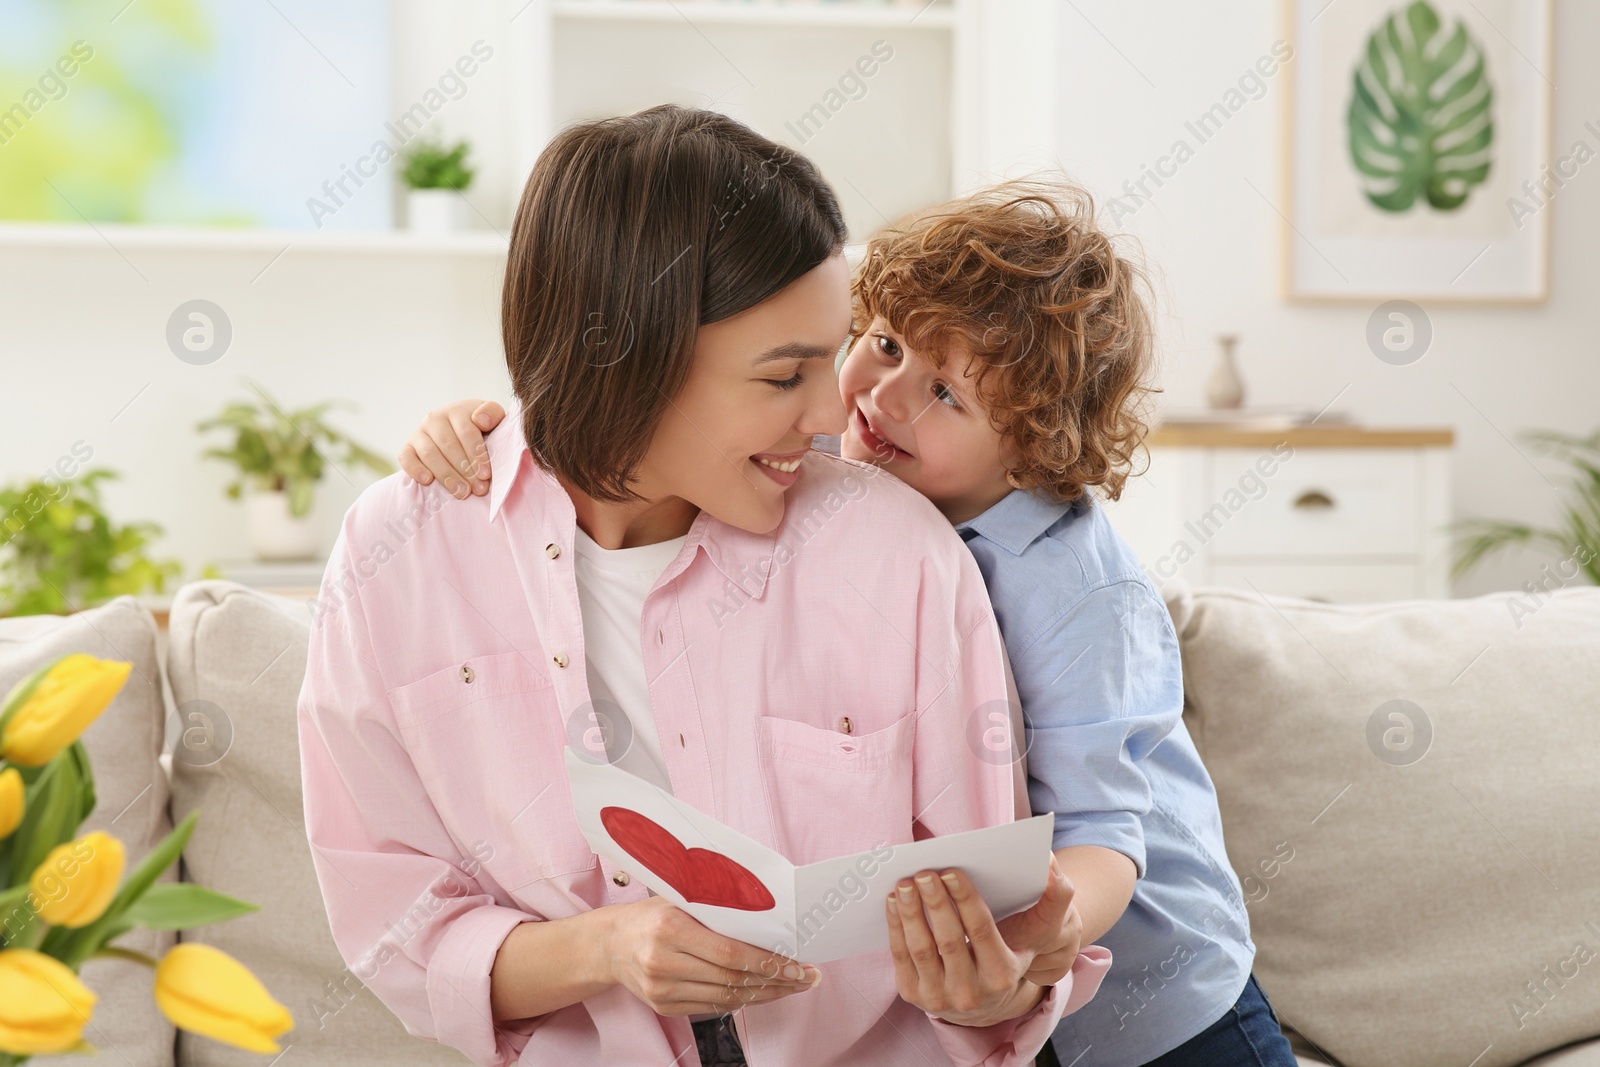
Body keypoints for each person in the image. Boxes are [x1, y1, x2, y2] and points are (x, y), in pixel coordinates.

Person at [401, 179, 1299, 1066]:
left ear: (1031, 443)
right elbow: (657, 419)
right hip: (990, 1003)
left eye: (949, 394)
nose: (882, 398)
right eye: (883, 343)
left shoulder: (1078, 591)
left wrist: (1028, 933)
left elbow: (1106, 833)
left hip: (1161, 1002)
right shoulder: (836, 448)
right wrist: (483, 423)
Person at [298, 107, 1110, 1067]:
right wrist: (601, 949)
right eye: (783, 377)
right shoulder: (404, 554)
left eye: (832, 352)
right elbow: (394, 924)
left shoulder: (897, 553)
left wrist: (989, 994)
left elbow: (995, 939)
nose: (828, 417)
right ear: (628, 363)